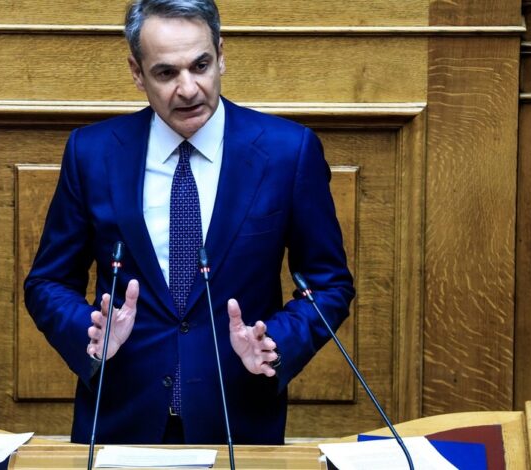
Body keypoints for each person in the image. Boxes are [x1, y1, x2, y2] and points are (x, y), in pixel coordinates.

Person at [24, 0, 354, 445]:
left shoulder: (287, 152)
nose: (188, 89)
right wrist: (90, 333)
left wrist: (274, 343)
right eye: (166, 73)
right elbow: (47, 282)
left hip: (237, 423)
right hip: (120, 423)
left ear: (221, 55)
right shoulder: (92, 153)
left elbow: (329, 284)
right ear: (137, 72)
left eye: (200, 66)